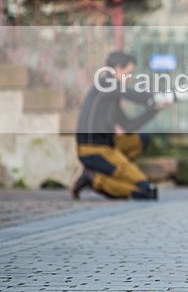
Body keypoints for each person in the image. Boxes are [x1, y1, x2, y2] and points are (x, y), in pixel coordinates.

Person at [72, 51, 175, 200]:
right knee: (146, 191)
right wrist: (156, 98)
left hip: (109, 147)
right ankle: (94, 180)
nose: (130, 78)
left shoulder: (111, 96)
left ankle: (109, 173)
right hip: (93, 151)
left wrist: (154, 109)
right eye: (129, 73)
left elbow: (128, 126)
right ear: (118, 68)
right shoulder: (105, 84)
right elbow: (134, 95)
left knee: (141, 139)